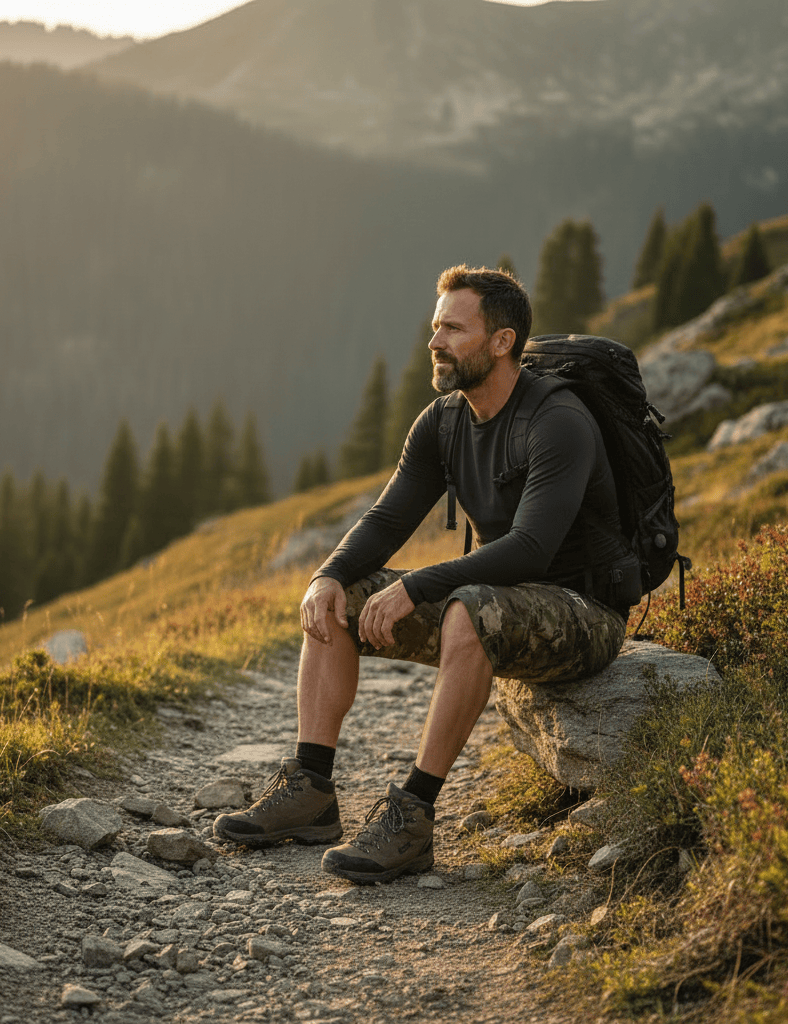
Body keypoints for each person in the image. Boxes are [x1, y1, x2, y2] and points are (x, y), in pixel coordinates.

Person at [214, 264, 630, 883]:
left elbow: (531, 549)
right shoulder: (444, 420)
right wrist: (326, 575)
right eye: (435, 326)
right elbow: (386, 520)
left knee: (467, 606)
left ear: (501, 341)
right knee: (348, 595)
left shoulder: (557, 421)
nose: (433, 341)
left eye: (453, 329)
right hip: (500, 602)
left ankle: (412, 815)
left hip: (584, 615)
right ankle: (311, 787)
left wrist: (416, 586)